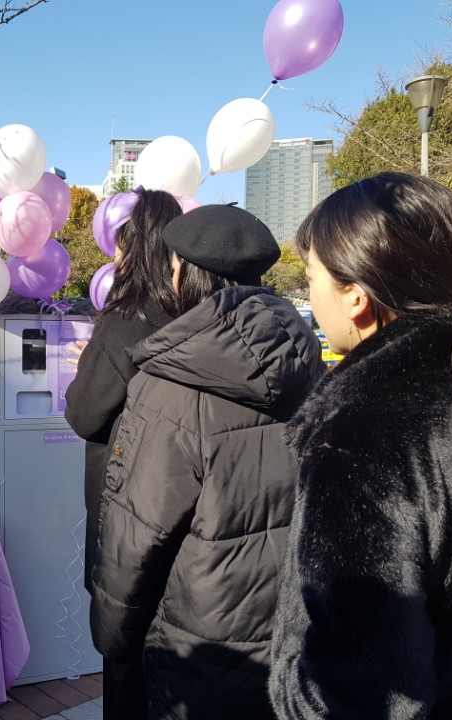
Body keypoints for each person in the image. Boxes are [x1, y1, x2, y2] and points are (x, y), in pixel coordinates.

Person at [268, 173, 452, 719]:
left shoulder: (362, 433)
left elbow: (360, 690)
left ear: (355, 297)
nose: (309, 294)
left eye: (312, 275)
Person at [89, 205, 324, 719]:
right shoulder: (308, 363)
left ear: (183, 272)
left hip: (195, 628)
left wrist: (112, 635)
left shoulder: (169, 381)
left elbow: (138, 528)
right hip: (285, 623)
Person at [64, 188, 182, 719]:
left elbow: (85, 413)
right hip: (184, 502)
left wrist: (89, 361)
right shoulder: (196, 315)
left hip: (125, 507)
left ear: (135, 248)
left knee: (125, 649)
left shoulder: (125, 319)